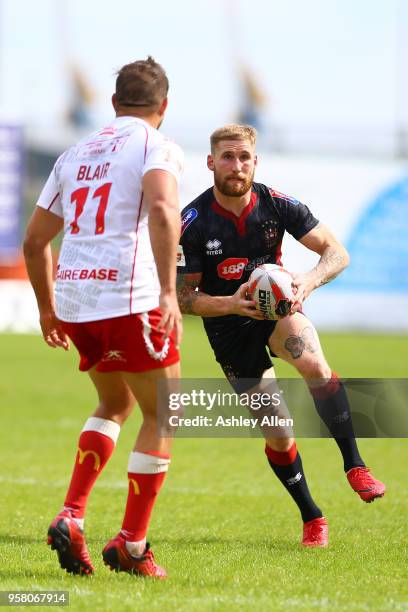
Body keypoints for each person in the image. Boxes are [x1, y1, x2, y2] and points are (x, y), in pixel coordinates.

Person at [176, 124, 385, 547]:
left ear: (256, 161)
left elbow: (336, 252)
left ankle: (355, 465)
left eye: (245, 157)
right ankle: (312, 516)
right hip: (228, 326)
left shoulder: (274, 203)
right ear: (211, 162)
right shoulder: (193, 222)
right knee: (278, 430)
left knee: (315, 365)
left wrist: (306, 282)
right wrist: (233, 304)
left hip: (277, 311)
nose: (237, 166)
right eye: (228, 157)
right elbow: (183, 297)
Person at [23, 57, 183, 578]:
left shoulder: (73, 153)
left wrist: (48, 309)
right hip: (129, 296)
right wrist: (167, 291)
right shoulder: (155, 146)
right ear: (163, 106)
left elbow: (34, 241)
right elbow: (160, 210)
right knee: (164, 412)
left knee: (114, 402)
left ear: (113, 103)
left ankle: (72, 514)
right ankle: (132, 547)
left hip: (75, 300)